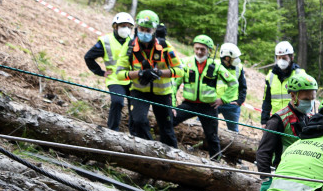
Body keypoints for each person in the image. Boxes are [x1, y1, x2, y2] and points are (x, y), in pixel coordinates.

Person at [114, 9, 181, 148]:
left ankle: (174, 160)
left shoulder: (165, 46)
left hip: (162, 94)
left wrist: (160, 73)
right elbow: (119, 74)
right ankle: (151, 150)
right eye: (141, 29)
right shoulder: (130, 46)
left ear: (154, 30)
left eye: (148, 30)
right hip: (140, 91)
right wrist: (139, 74)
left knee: (167, 129)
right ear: (137, 28)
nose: (144, 32)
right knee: (138, 122)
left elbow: (181, 71)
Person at [256, 71, 318, 191]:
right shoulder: (278, 120)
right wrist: (266, 179)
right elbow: (263, 151)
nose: (310, 103)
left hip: (306, 174)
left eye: (313, 99)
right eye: (306, 99)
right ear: (293, 96)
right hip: (283, 174)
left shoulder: (311, 118)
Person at [172, 35, 234, 160]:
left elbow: (233, 84)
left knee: (212, 137)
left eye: (203, 49)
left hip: (208, 107)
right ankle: (170, 152)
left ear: (209, 50)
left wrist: (223, 100)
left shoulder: (216, 66)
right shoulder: (185, 63)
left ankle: (216, 164)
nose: (199, 52)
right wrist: (172, 105)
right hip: (188, 104)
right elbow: (174, 84)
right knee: (168, 122)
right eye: (197, 49)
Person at [83, 12, 134, 131]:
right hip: (115, 78)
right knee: (117, 102)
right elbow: (88, 57)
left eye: (128, 26)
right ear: (115, 26)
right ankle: (112, 130)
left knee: (135, 106)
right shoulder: (105, 41)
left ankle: (135, 133)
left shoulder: (134, 41)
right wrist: (100, 72)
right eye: (123, 25)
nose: (125, 29)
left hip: (132, 78)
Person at [261, 40, 301, 123]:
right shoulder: (271, 76)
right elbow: (267, 100)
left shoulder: (299, 75)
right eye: (279, 58)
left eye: (284, 58)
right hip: (277, 119)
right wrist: (264, 120)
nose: (281, 61)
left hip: (295, 119)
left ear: (291, 58)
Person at [217, 42, 247, 133]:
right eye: (235, 58)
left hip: (231, 104)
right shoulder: (214, 65)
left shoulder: (239, 68)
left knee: (233, 132)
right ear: (227, 58)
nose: (238, 60)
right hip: (214, 102)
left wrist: (239, 101)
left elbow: (243, 86)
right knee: (200, 124)